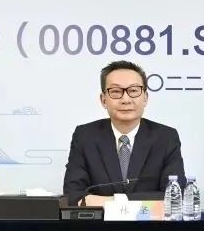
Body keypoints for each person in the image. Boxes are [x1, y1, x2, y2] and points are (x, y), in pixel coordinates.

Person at [63, 60, 185, 206]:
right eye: (116, 91)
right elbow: (73, 195)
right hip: (101, 221)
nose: (126, 99)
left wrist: (114, 201)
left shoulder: (166, 137)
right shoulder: (85, 136)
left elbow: (174, 196)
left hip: (148, 220)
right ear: (103, 100)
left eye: (133, 91)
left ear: (145, 98)